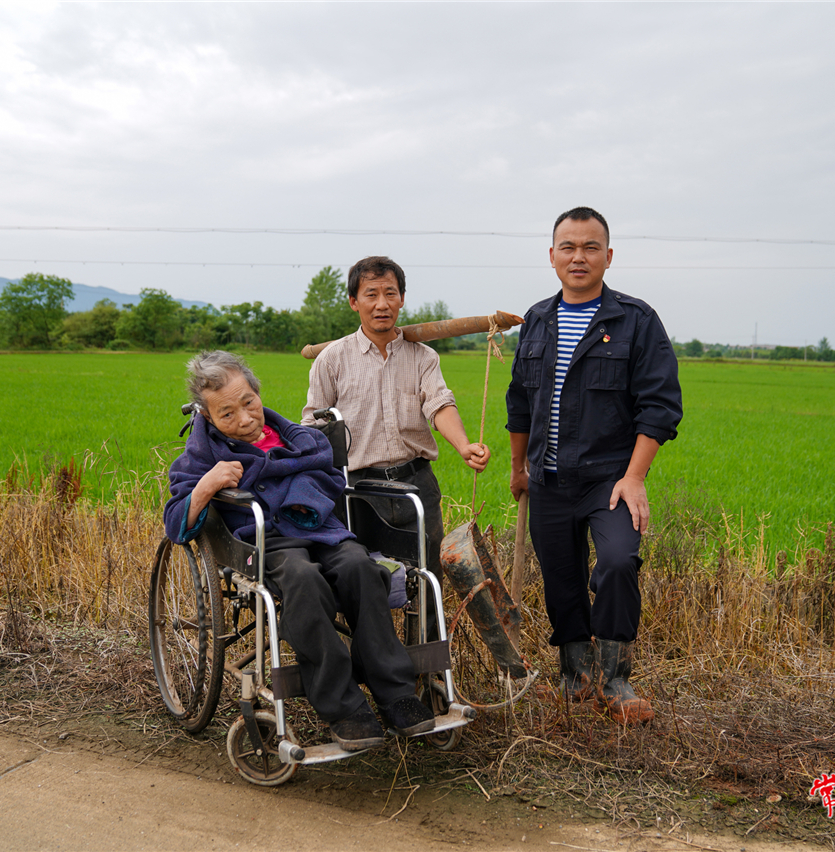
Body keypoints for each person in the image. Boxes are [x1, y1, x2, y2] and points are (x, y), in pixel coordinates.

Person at [164, 350, 435, 751]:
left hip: (321, 530)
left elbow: (330, 481)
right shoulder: (203, 456)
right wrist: (208, 484)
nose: (244, 419)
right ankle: (344, 707)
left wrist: (302, 498)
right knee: (303, 579)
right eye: (226, 415)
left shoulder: (301, 439)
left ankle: (395, 694)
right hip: (265, 543)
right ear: (207, 417)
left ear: (258, 393)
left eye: (248, 403)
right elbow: (175, 524)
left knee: (361, 567)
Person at [506, 207, 683, 725]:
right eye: (568, 247)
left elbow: (660, 405)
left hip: (610, 480)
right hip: (548, 479)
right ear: (553, 256)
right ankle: (574, 676)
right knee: (561, 577)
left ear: (608, 256)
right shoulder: (538, 320)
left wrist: (635, 477)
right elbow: (520, 401)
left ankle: (614, 679)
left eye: (590, 247)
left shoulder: (636, 320)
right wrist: (520, 467)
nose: (578, 257)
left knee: (619, 562)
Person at [302, 256, 491, 639]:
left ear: (402, 299)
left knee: (428, 584)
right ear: (354, 301)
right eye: (371, 294)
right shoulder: (331, 360)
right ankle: (380, 670)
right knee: (366, 584)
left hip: (415, 486)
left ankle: (432, 677)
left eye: (390, 293)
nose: (382, 303)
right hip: (357, 492)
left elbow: (439, 404)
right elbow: (313, 426)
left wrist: (463, 445)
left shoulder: (423, 357)